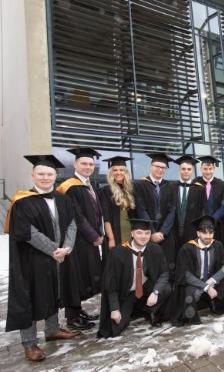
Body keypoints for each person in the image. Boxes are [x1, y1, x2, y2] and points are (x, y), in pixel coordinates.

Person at [4, 155, 80, 362]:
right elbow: (28, 232)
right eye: (41, 174)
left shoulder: (64, 199)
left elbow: (72, 224)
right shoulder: (21, 201)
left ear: (55, 176)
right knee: (29, 298)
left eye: (49, 174)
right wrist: (55, 249)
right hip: (31, 259)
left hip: (60, 257)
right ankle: (29, 343)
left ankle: (52, 329)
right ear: (33, 175)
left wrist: (67, 247)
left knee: (55, 291)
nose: (45, 178)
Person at [57, 147, 104, 330]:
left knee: (82, 275)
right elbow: (76, 216)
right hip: (75, 240)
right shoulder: (70, 186)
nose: (88, 166)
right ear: (75, 164)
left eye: (91, 164)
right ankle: (72, 316)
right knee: (74, 276)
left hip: (86, 240)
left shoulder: (88, 184)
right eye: (84, 163)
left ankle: (78, 310)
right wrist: (93, 235)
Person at [171, 215, 224, 325]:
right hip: (194, 283)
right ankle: (194, 320)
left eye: (210, 233)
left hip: (210, 281)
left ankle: (217, 306)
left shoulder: (217, 245)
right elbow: (186, 275)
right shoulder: (187, 249)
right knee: (189, 291)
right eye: (204, 233)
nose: (208, 236)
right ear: (198, 233)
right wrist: (205, 287)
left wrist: (212, 280)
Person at [134, 153, 177, 278]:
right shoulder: (140, 185)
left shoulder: (170, 186)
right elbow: (141, 209)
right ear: (151, 167)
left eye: (163, 167)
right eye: (157, 166)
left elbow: (172, 211)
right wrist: (151, 231)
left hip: (166, 235)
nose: (160, 169)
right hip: (147, 234)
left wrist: (163, 232)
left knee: (168, 264)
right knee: (149, 266)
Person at [99, 156, 136, 252]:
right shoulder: (105, 191)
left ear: (126, 172)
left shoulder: (130, 190)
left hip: (130, 233)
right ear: (111, 173)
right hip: (115, 233)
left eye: (121, 170)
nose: (118, 172)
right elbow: (106, 218)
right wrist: (111, 239)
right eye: (115, 170)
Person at [171, 155, 205, 250]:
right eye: (183, 169)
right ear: (179, 170)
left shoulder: (200, 189)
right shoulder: (171, 187)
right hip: (173, 232)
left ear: (192, 171)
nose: (186, 171)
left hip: (191, 232)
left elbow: (202, 211)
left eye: (189, 169)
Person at [194, 155, 224, 243]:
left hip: (217, 225)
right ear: (201, 169)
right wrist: (203, 221)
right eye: (205, 169)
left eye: (210, 168)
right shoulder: (195, 183)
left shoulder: (222, 184)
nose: (208, 171)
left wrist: (212, 220)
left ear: (214, 169)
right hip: (199, 224)